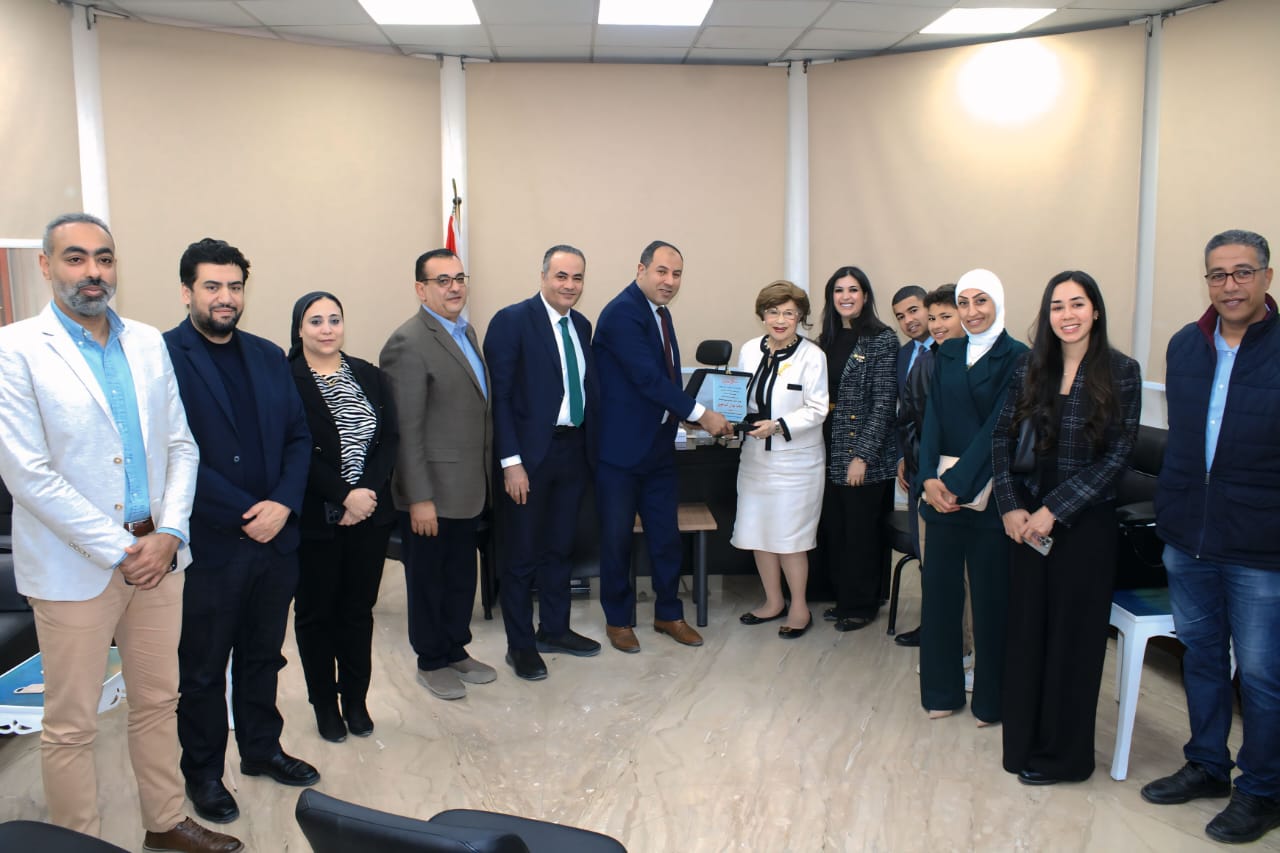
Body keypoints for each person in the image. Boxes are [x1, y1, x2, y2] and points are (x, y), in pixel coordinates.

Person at [0, 214, 242, 853]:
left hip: (159, 559)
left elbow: (181, 445)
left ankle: (165, 823)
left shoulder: (146, 342)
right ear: (46, 266)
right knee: (71, 725)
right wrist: (122, 549)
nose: (93, 272)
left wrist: (170, 532)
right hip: (73, 565)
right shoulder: (14, 348)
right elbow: (29, 474)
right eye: (75, 258)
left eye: (104, 258)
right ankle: (77, 842)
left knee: (158, 701)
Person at [165, 238, 319, 825]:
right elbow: (170, 453)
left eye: (234, 286)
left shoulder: (267, 355)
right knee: (204, 669)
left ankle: (261, 750)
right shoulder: (163, 356)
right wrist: (247, 512)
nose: (225, 297)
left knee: (262, 657)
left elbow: (298, 439)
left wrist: (282, 504)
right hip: (211, 544)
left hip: (276, 543)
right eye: (212, 286)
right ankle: (204, 774)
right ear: (187, 292)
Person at [1142, 229, 1280, 845]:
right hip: (1188, 535)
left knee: (1262, 676)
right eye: (1218, 274)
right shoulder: (1185, 345)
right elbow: (1184, 440)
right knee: (1200, 657)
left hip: (1261, 543)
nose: (1230, 285)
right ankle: (1206, 764)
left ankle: (1263, 790)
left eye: (1243, 272)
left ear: (1267, 277)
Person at [992, 271, 1141, 785]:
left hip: (1084, 524)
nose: (1067, 315)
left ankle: (1065, 758)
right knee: (1028, 634)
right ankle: (1024, 746)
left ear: (1095, 310)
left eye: (1077, 304)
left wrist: (1053, 509)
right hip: (1025, 522)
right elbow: (1001, 439)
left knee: (1072, 643)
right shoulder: (1028, 367)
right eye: (1057, 306)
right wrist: (1010, 505)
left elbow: (1119, 454)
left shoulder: (1121, 371)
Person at [593, 240, 732, 653]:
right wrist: (702, 414)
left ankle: (668, 613)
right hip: (619, 452)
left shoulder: (660, 313)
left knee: (665, 536)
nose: (669, 281)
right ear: (641, 270)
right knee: (617, 539)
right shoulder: (622, 313)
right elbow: (647, 378)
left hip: (657, 447)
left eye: (677, 274)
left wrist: (683, 414)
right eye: (661, 271)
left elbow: (666, 377)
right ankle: (618, 620)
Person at [483, 245, 602, 681]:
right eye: (561, 276)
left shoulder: (581, 325)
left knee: (560, 549)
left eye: (577, 278)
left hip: (573, 452)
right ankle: (520, 646)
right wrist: (511, 463)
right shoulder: (511, 321)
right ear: (543, 276)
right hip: (528, 459)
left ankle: (554, 629)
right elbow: (500, 398)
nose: (570, 285)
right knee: (520, 556)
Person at [380, 249, 494, 700]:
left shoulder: (466, 332)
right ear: (420, 289)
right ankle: (431, 660)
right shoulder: (408, 342)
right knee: (429, 580)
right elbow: (405, 430)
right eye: (442, 280)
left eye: (459, 278)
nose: (454, 287)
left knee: (461, 576)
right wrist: (418, 497)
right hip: (431, 492)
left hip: (468, 487)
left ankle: (455, 648)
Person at [917, 268, 1027, 724]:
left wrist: (956, 484)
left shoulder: (1019, 357)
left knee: (990, 599)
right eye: (964, 302)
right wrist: (927, 478)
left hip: (991, 494)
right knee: (939, 595)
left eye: (981, 301)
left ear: (998, 302)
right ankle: (941, 692)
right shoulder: (948, 351)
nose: (972, 311)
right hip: (940, 491)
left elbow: (1000, 427)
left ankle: (991, 701)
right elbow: (932, 419)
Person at [288, 292, 399, 740]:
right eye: (316, 321)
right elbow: (295, 447)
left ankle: (355, 700)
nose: (327, 329)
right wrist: (343, 495)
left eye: (334, 319)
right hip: (316, 518)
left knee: (357, 612)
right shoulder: (288, 379)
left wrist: (365, 494)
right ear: (299, 329)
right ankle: (325, 706)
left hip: (370, 516)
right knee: (316, 615)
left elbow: (388, 440)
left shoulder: (368, 374)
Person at [732, 280, 829, 637]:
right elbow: (739, 395)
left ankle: (799, 607)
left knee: (791, 538)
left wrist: (778, 426)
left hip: (797, 464)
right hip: (755, 460)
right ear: (762, 315)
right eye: (773, 312)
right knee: (758, 532)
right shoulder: (749, 350)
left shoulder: (812, 356)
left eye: (789, 313)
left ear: (800, 317)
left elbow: (817, 409)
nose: (780, 320)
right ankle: (773, 601)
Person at [817, 266, 899, 632]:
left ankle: (863, 605)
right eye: (839, 290)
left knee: (862, 532)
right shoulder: (825, 340)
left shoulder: (882, 339)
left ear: (865, 296)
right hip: (827, 444)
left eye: (853, 289)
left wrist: (862, 456)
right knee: (837, 529)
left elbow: (884, 404)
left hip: (864, 451)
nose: (845, 296)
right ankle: (844, 599)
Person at [893, 284, 961, 649]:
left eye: (941, 316)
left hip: (960, 478)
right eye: (900, 316)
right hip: (921, 472)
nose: (912, 321)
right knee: (929, 559)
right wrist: (909, 460)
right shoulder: (914, 358)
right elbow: (909, 416)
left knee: (958, 568)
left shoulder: (967, 359)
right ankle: (935, 629)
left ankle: (958, 640)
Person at [892, 285, 932, 394]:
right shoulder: (902, 354)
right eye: (901, 317)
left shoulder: (947, 347)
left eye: (913, 311)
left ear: (929, 308)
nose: (907, 320)